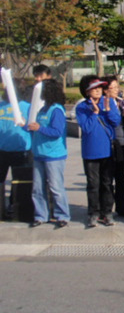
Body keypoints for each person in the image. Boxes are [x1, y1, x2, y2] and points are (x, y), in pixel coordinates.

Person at [76, 75, 120, 227]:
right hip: (90, 152)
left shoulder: (108, 102)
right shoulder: (82, 107)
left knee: (107, 183)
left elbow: (116, 122)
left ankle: (107, 212)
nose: (98, 91)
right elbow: (86, 128)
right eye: (94, 88)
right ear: (87, 91)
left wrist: (107, 110)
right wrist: (95, 113)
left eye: (100, 88)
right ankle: (93, 212)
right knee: (93, 184)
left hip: (107, 151)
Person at [28, 79, 70, 228]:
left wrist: (39, 128)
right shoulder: (42, 109)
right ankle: (41, 215)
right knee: (37, 188)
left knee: (55, 187)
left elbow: (57, 132)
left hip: (54, 155)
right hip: (39, 153)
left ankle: (62, 215)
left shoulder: (56, 110)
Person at [102, 76, 124, 219]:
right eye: (113, 88)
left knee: (122, 177)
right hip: (108, 144)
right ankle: (106, 209)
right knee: (107, 178)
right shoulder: (102, 104)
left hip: (122, 144)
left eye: (117, 87)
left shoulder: (120, 102)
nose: (116, 90)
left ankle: (123, 208)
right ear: (105, 90)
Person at [0, 80, 32, 221]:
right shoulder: (1, 106)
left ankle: (15, 207)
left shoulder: (27, 107)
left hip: (22, 150)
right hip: (2, 150)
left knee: (18, 182)